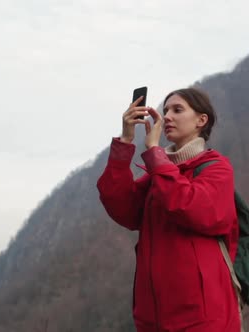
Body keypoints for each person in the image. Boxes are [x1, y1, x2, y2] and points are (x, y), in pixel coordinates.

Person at [97, 88, 240, 332]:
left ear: (201, 120)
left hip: (202, 319)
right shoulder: (159, 174)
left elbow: (189, 207)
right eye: (165, 111)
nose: (168, 117)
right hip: (153, 319)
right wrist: (125, 141)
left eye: (177, 110)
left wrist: (155, 152)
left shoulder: (217, 169)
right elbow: (121, 208)